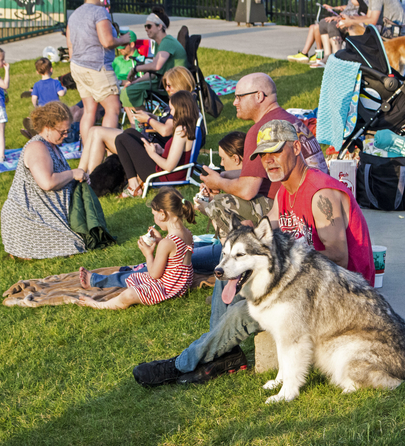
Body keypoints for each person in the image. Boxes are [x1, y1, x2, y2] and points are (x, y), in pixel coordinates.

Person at [132, 119, 376, 387]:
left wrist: (283, 270)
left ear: (296, 148)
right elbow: (269, 223)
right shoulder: (286, 189)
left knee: (242, 313)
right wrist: (247, 232)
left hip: (339, 292)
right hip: (304, 281)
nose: (269, 161)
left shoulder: (320, 194)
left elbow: (339, 257)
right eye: (263, 156)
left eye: (276, 152)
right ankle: (225, 354)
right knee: (226, 272)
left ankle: (180, 365)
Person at [196, 73, 328, 241]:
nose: (234, 102)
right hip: (313, 202)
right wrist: (223, 176)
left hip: (292, 210)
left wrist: (218, 184)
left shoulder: (261, 130)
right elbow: (260, 174)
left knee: (220, 203)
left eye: (239, 97)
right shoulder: (292, 121)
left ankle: (236, 255)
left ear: (259, 96)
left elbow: (247, 190)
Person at [0, 101, 91, 259]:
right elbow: (47, 182)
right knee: (75, 245)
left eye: (68, 131)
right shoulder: (37, 147)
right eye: (62, 132)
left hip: (45, 215)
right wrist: (72, 174)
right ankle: (23, 250)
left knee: (83, 241)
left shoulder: (52, 146)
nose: (67, 135)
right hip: (28, 218)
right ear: (48, 127)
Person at [78, 187, 194, 309]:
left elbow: (154, 274)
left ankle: (97, 304)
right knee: (136, 276)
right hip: (181, 284)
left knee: (128, 295)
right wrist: (159, 240)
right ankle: (114, 278)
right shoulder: (187, 234)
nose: (154, 218)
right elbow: (175, 252)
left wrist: (148, 254)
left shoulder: (167, 243)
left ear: (162, 214)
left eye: (154, 215)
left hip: (167, 289)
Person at [77, 65, 195, 176]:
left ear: (179, 84)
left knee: (97, 132)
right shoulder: (187, 104)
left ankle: (90, 178)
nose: (167, 89)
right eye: (166, 85)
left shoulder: (179, 106)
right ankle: (81, 172)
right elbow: (170, 126)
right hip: (147, 142)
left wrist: (148, 119)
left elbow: (166, 131)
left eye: (170, 85)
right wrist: (155, 118)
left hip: (148, 147)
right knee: (93, 131)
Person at [66, 0, 131, 145]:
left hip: (78, 66)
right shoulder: (99, 12)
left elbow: (70, 45)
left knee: (89, 111)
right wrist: (123, 40)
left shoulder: (74, 14)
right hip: (97, 67)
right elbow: (107, 41)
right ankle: (106, 149)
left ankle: (88, 150)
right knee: (113, 109)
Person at [119, 90, 199, 197]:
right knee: (130, 132)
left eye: (172, 109)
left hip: (163, 176)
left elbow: (169, 167)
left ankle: (133, 185)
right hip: (165, 171)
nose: (171, 113)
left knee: (121, 139)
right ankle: (134, 183)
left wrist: (152, 154)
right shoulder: (188, 125)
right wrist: (161, 150)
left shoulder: (181, 131)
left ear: (180, 109)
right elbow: (179, 153)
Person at [121, 7, 187, 126]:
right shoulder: (159, 44)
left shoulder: (167, 42)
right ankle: (142, 125)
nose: (146, 29)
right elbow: (155, 71)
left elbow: (156, 66)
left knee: (129, 91)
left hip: (175, 84)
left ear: (160, 26)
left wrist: (135, 69)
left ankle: (139, 126)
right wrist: (136, 81)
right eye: (145, 26)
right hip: (163, 81)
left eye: (149, 26)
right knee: (130, 88)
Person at [336, 0, 405, 42]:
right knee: (356, 25)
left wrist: (351, 22)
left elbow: (373, 21)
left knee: (355, 27)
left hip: (398, 33)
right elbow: (368, 16)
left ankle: (359, 58)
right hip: (391, 29)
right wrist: (350, 18)